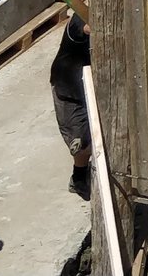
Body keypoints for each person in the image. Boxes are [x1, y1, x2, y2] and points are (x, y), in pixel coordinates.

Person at [48, 15, 90, 198]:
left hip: (94, 87)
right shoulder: (79, 20)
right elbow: (87, 27)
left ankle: (84, 175)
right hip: (69, 90)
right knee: (79, 142)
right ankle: (79, 179)